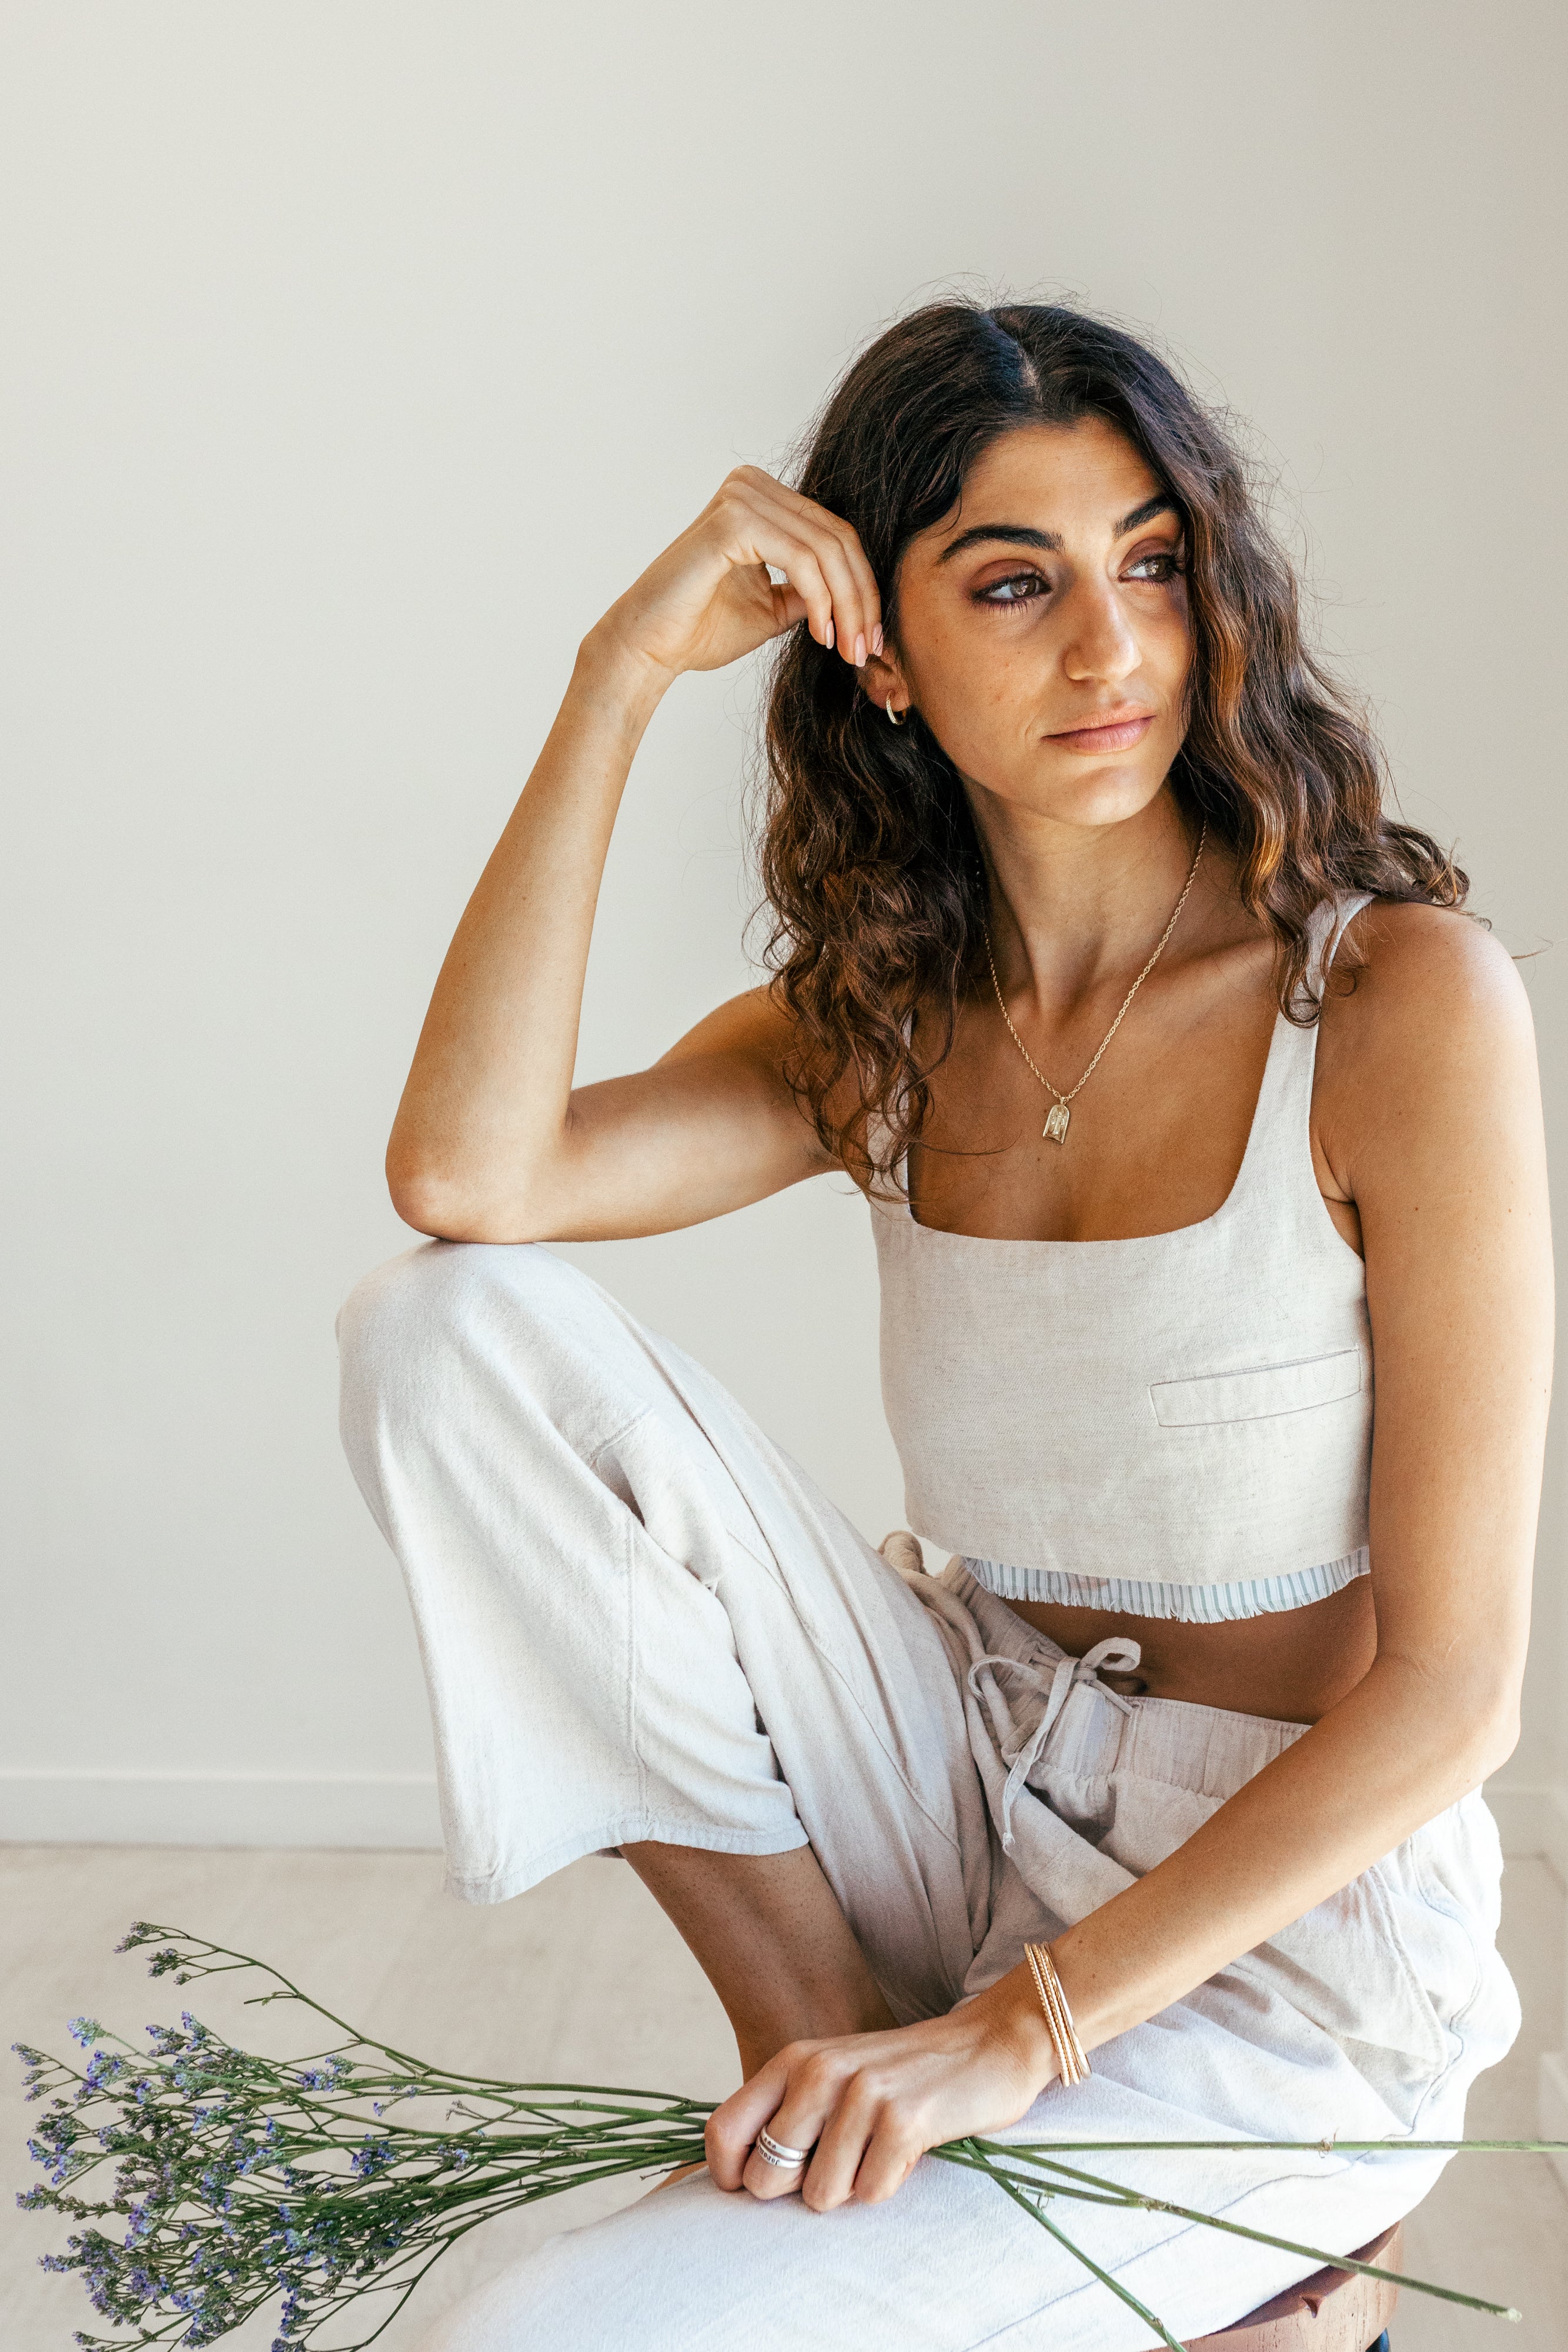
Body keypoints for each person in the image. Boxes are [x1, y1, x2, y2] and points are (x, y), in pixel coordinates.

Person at [336, 301, 1550, 2350]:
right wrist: (618, 672)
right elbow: (469, 1178)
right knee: (439, 1333)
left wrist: (1018, 2033)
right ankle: (815, 2046)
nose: (1108, 648)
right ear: (875, 651)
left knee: (533, 2332)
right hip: (969, 1790)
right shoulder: (885, 1025)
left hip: (1278, 1949)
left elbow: (1450, 1699)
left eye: (1148, 563)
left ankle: (1149, 2201)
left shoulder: (1391, 1003)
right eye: (1011, 583)